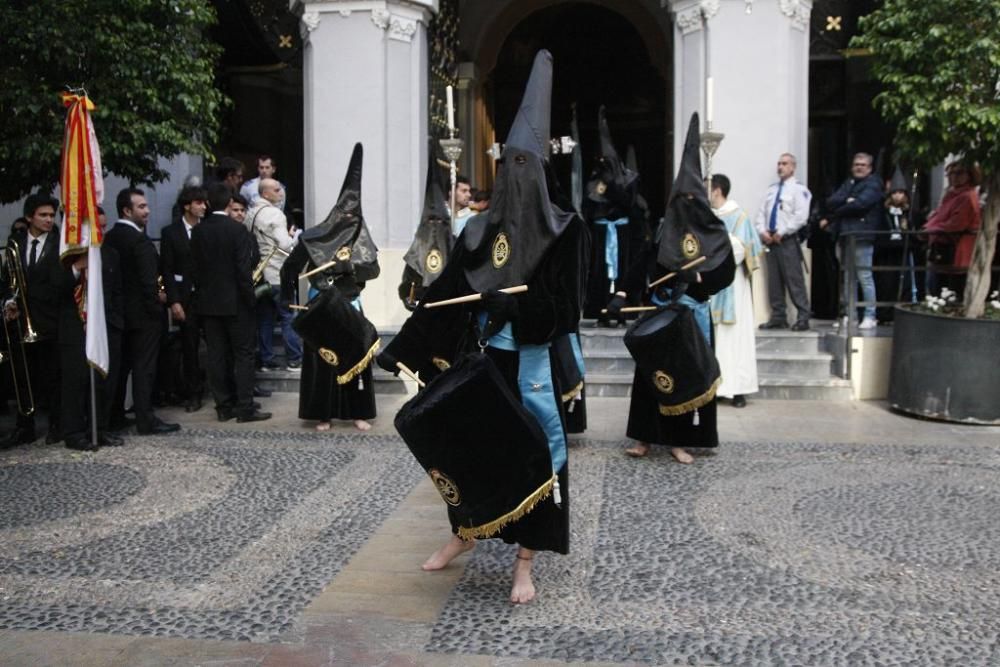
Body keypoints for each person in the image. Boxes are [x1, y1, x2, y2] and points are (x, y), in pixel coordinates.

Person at [379, 50, 586, 604]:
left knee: (540, 456)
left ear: (540, 168)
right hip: (487, 359)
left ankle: (524, 564)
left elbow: (569, 312)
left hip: (534, 364)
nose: (516, 174)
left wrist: (517, 308)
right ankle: (463, 535)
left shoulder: (566, 232)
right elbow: (447, 294)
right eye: (508, 163)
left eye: (527, 163)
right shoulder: (477, 227)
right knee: (472, 452)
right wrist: (404, 345)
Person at [608, 113, 735, 464]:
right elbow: (641, 265)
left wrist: (699, 280)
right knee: (650, 379)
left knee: (685, 378)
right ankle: (645, 438)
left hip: (691, 315)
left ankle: (680, 441)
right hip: (660, 313)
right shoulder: (665, 231)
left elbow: (725, 274)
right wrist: (621, 294)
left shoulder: (714, 235)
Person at [281, 143, 379, 432]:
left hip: (350, 305)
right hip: (321, 305)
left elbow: (374, 270)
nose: (350, 221)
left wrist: (351, 268)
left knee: (356, 357)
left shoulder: (361, 239)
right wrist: (288, 300)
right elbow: (289, 270)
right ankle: (323, 414)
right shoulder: (314, 238)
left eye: (354, 217)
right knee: (323, 361)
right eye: (345, 216)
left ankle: (356, 413)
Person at [191, 183, 270, 423]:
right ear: (227, 205)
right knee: (243, 355)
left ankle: (223, 406)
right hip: (236, 303)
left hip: (209, 304)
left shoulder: (198, 231)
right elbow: (242, 270)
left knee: (217, 355)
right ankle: (245, 406)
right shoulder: (236, 231)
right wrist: (250, 299)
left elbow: (196, 268)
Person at [105, 188, 180, 435]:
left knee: (122, 366)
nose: (147, 211)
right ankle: (145, 419)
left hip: (120, 315)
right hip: (143, 316)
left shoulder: (111, 237)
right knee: (143, 368)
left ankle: (115, 415)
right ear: (127, 210)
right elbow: (149, 282)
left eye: (147, 206)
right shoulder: (138, 240)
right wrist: (158, 306)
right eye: (141, 207)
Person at [58, 207, 125, 450]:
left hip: (106, 326)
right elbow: (55, 289)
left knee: (103, 381)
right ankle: (74, 432)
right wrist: (77, 269)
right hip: (75, 328)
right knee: (76, 383)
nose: (102, 231)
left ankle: (100, 428)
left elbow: (116, 291)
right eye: (98, 227)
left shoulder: (110, 254)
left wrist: (115, 321)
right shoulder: (66, 255)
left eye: (105, 227)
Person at [1, 194, 64, 448]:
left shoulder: (59, 243)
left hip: (50, 321)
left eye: (51, 215)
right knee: (23, 378)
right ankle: (24, 426)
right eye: (43, 215)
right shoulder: (15, 243)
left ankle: (56, 425)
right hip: (22, 323)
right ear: (29, 217)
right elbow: (7, 280)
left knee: (52, 377)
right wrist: (8, 302)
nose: (49, 220)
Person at [582, 106, 641, 325]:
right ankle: (601, 310)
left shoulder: (629, 179)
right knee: (600, 273)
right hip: (600, 234)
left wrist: (613, 186)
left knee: (621, 272)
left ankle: (621, 310)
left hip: (622, 234)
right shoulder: (594, 180)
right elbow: (588, 205)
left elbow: (630, 204)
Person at [709, 174, 762, 408]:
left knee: (736, 337)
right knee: (716, 337)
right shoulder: (709, 217)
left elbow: (745, 248)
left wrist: (721, 244)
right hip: (712, 284)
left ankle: (739, 389)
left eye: (707, 188)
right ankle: (718, 386)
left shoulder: (739, 216)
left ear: (717, 190)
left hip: (733, 284)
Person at [819, 152, 884, 329]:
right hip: (845, 235)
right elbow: (831, 201)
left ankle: (870, 315)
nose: (859, 167)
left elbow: (861, 204)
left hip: (862, 235)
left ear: (870, 168)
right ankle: (851, 314)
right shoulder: (849, 183)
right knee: (848, 277)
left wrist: (840, 209)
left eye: (863, 164)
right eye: (856, 164)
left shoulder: (874, 183)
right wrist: (846, 202)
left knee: (864, 276)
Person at [246, 178, 303, 371]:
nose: (281, 193)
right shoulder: (275, 214)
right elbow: (284, 244)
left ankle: (267, 360)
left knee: (265, 318)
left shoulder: (250, 213)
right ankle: (294, 359)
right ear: (265, 194)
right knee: (288, 315)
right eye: (277, 190)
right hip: (278, 273)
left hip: (259, 276)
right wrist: (294, 236)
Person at [160, 185, 206, 412]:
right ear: (187, 206)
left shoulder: (207, 229)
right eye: (198, 203)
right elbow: (167, 269)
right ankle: (193, 393)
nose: (203, 207)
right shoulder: (171, 233)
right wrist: (174, 301)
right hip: (185, 297)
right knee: (189, 347)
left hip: (207, 296)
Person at [754, 153, 812, 331]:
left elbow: (801, 216)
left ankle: (803, 316)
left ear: (793, 167)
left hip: (787, 240)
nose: (780, 167)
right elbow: (761, 214)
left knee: (794, 279)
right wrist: (762, 231)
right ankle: (778, 316)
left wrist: (782, 231)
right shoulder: (771, 190)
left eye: (785, 164)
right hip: (770, 240)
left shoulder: (798, 190)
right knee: (774, 281)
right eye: (779, 164)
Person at [398, 148, 453, 310]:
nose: (434, 225)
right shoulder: (418, 247)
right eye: (431, 220)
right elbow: (407, 282)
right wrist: (408, 297)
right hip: (422, 308)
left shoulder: (454, 244)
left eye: (439, 220)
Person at [922, 160, 981, 298]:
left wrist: (931, 229)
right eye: (951, 173)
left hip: (957, 251)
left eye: (959, 173)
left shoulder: (967, 196)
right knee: (935, 287)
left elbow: (956, 224)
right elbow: (938, 215)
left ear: (969, 175)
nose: (954, 177)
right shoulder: (952, 194)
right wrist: (928, 227)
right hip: (943, 247)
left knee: (950, 290)